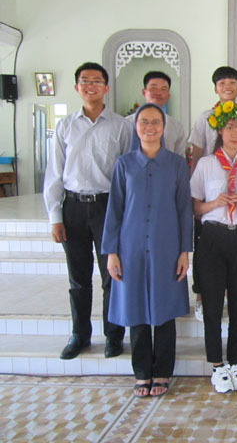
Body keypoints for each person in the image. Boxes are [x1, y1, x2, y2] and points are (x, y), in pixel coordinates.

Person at [102, 103, 192, 398]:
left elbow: (184, 209)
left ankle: (163, 370)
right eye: (144, 122)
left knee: (164, 309)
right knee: (136, 308)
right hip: (130, 247)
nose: (149, 127)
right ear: (136, 126)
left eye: (155, 122)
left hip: (167, 246)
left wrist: (184, 251)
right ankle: (142, 372)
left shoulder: (177, 164)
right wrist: (111, 252)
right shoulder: (124, 164)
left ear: (164, 128)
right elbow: (114, 210)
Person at [43, 62, 130, 360]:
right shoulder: (65, 126)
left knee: (112, 275)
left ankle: (114, 335)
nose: (90, 85)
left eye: (96, 81)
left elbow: (126, 173)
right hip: (74, 208)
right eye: (85, 81)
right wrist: (55, 217)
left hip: (107, 207)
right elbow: (54, 174)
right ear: (77, 87)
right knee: (78, 278)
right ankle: (80, 335)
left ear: (106, 87)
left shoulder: (121, 126)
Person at [191, 103, 237, 393]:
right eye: (230, 127)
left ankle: (235, 362)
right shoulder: (206, 164)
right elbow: (195, 207)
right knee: (212, 305)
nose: (235, 133)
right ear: (220, 131)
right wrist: (213, 203)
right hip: (212, 238)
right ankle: (217, 365)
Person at [187, 66, 237, 322]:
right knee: (204, 246)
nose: (227, 87)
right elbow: (197, 152)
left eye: (232, 83)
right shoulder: (205, 117)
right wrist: (195, 192)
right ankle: (201, 295)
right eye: (222, 83)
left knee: (234, 246)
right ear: (216, 88)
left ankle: (227, 294)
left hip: (236, 187)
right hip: (209, 187)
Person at [125, 71, 187, 156]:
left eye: (163, 89)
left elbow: (179, 157)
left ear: (168, 95)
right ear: (144, 92)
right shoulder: (126, 123)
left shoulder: (176, 126)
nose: (158, 93)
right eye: (153, 88)